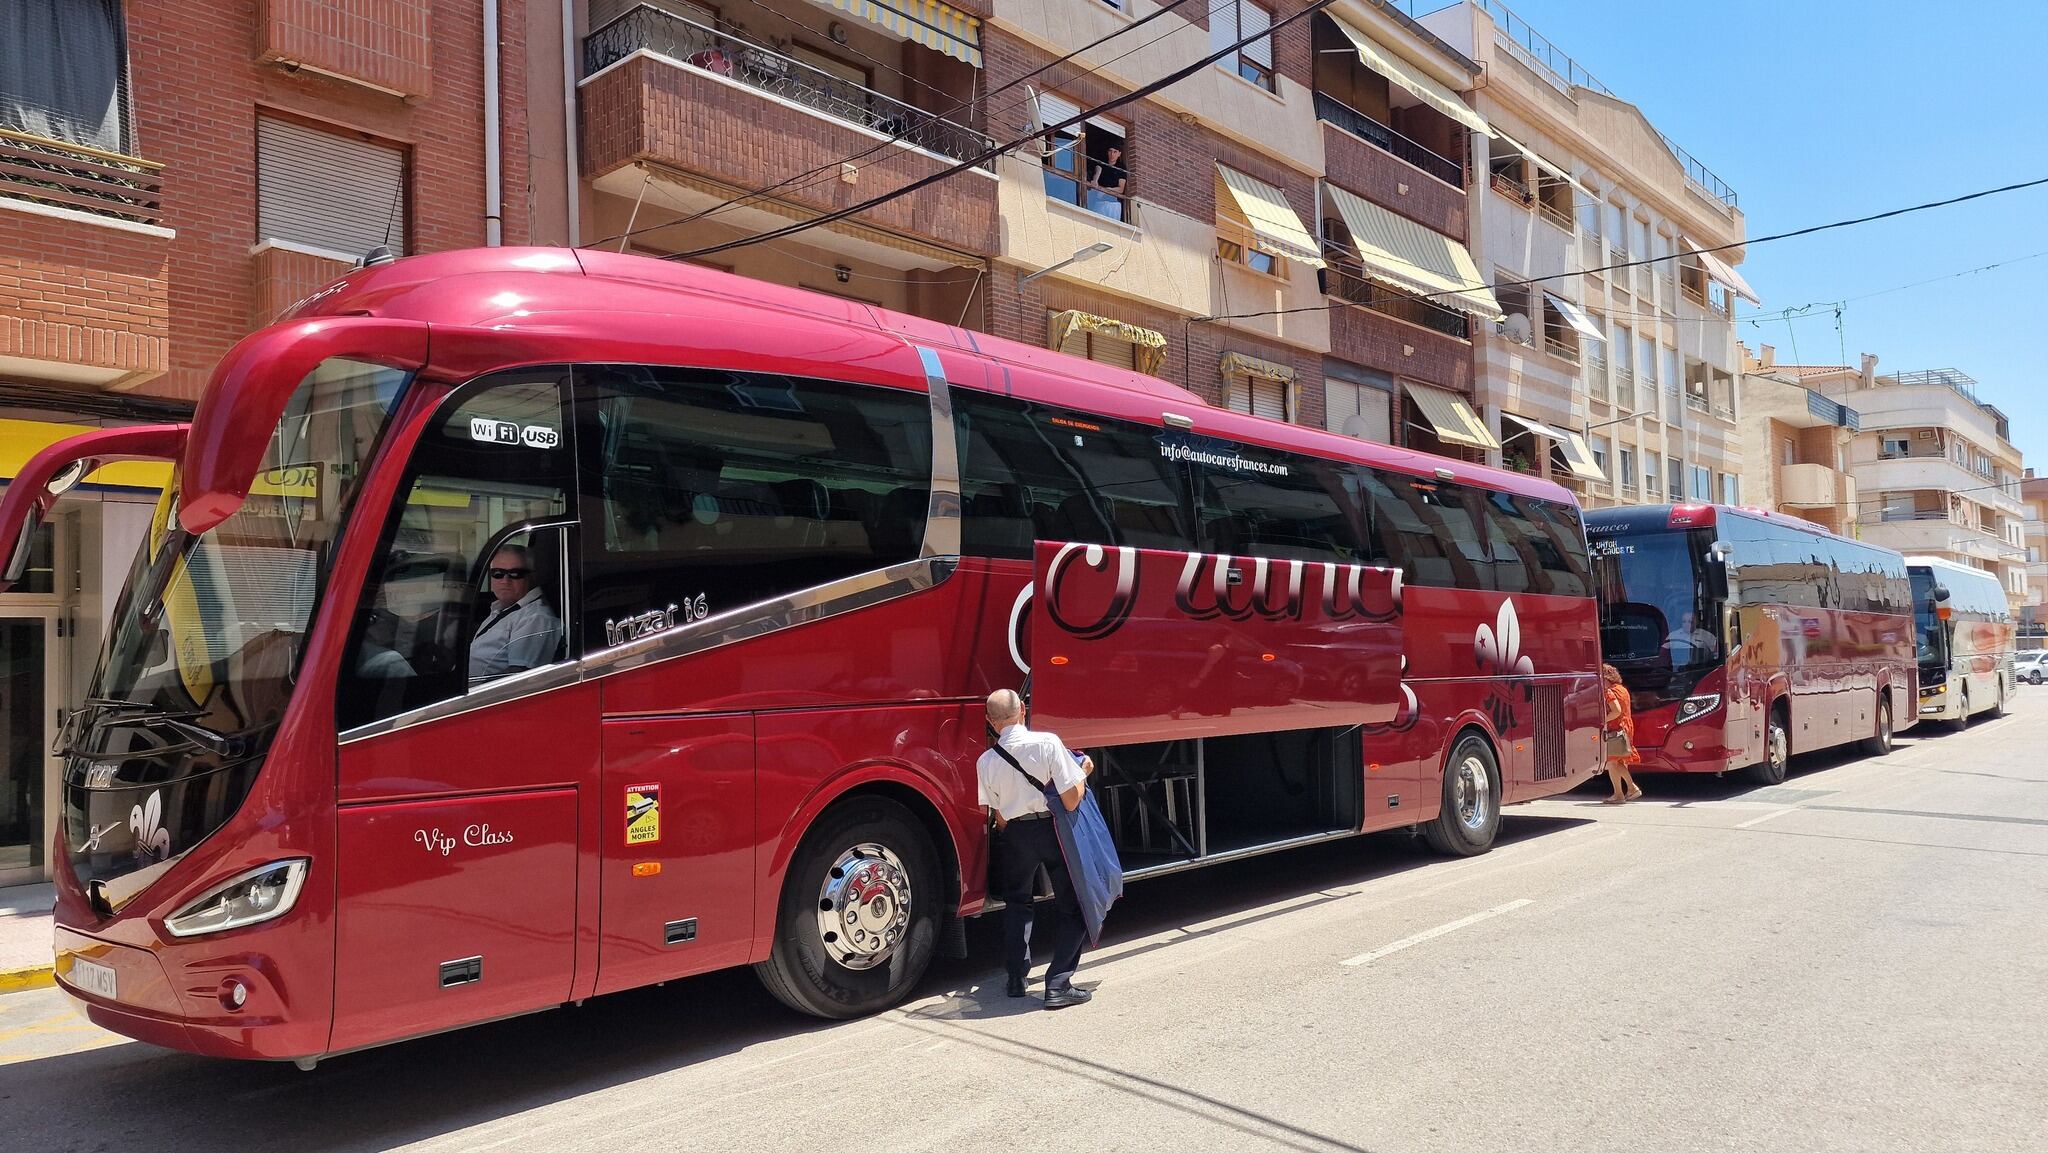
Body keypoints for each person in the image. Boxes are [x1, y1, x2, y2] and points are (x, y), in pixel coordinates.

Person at [976, 688, 1096, 1009]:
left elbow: (998, 816)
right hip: (1052, 829)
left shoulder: (986, 761)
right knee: (1073, 906)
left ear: (990, 721)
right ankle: (1058, 983)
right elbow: (1071, 801)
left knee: (1017, 903)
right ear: (1023, 712)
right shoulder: (1048, 743)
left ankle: (1016, 978)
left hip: (1015, 834)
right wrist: (1082, 773)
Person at [468, 544, 562, 683]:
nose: (505, 581)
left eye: (515, 574)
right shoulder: (502, 608)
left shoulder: (535, 617)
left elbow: (519, 678)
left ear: (532, 577)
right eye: (497, 574)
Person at [1601, 662, 1643, 804]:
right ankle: (1618, 794)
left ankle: (1631, 788)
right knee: (1617, 761)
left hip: (1616, 728)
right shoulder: (1622, 689)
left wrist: (1602, 721)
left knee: (1612, 762)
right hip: (1625, 727)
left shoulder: (1609, 692)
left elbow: (1616, 711)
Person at [1086, 144, 1127, 220]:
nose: (1112, 154)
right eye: (1110, 151)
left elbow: (1121, 189)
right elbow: (1097, 171)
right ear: (1107, 152)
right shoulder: (1102, 164)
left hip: (1113, 203)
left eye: (1115, 152)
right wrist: (1095, 180)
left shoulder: (1121, 168)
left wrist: (1105, 190)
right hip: (1100, 202)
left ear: (1119, 154)